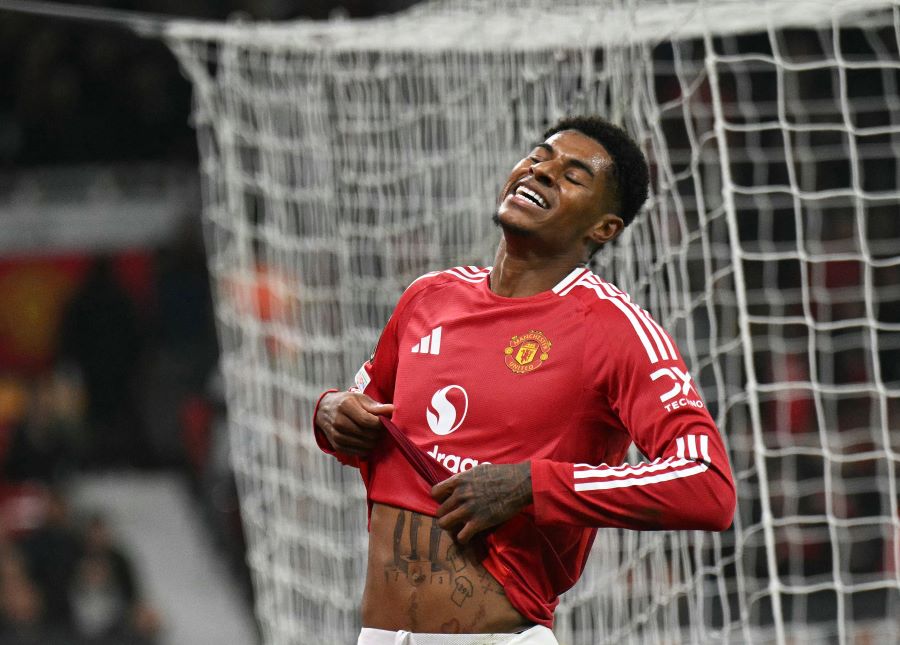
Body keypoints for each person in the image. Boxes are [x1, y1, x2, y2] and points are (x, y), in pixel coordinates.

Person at [314, 115, 736, 644]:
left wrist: (533, 486)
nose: (542, 172)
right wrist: (330, 412)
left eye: (573, 175)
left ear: (604, 228)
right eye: (539, 157)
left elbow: (707, 484)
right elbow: (364, 419)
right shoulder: (428, 298)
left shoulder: (615, 329)